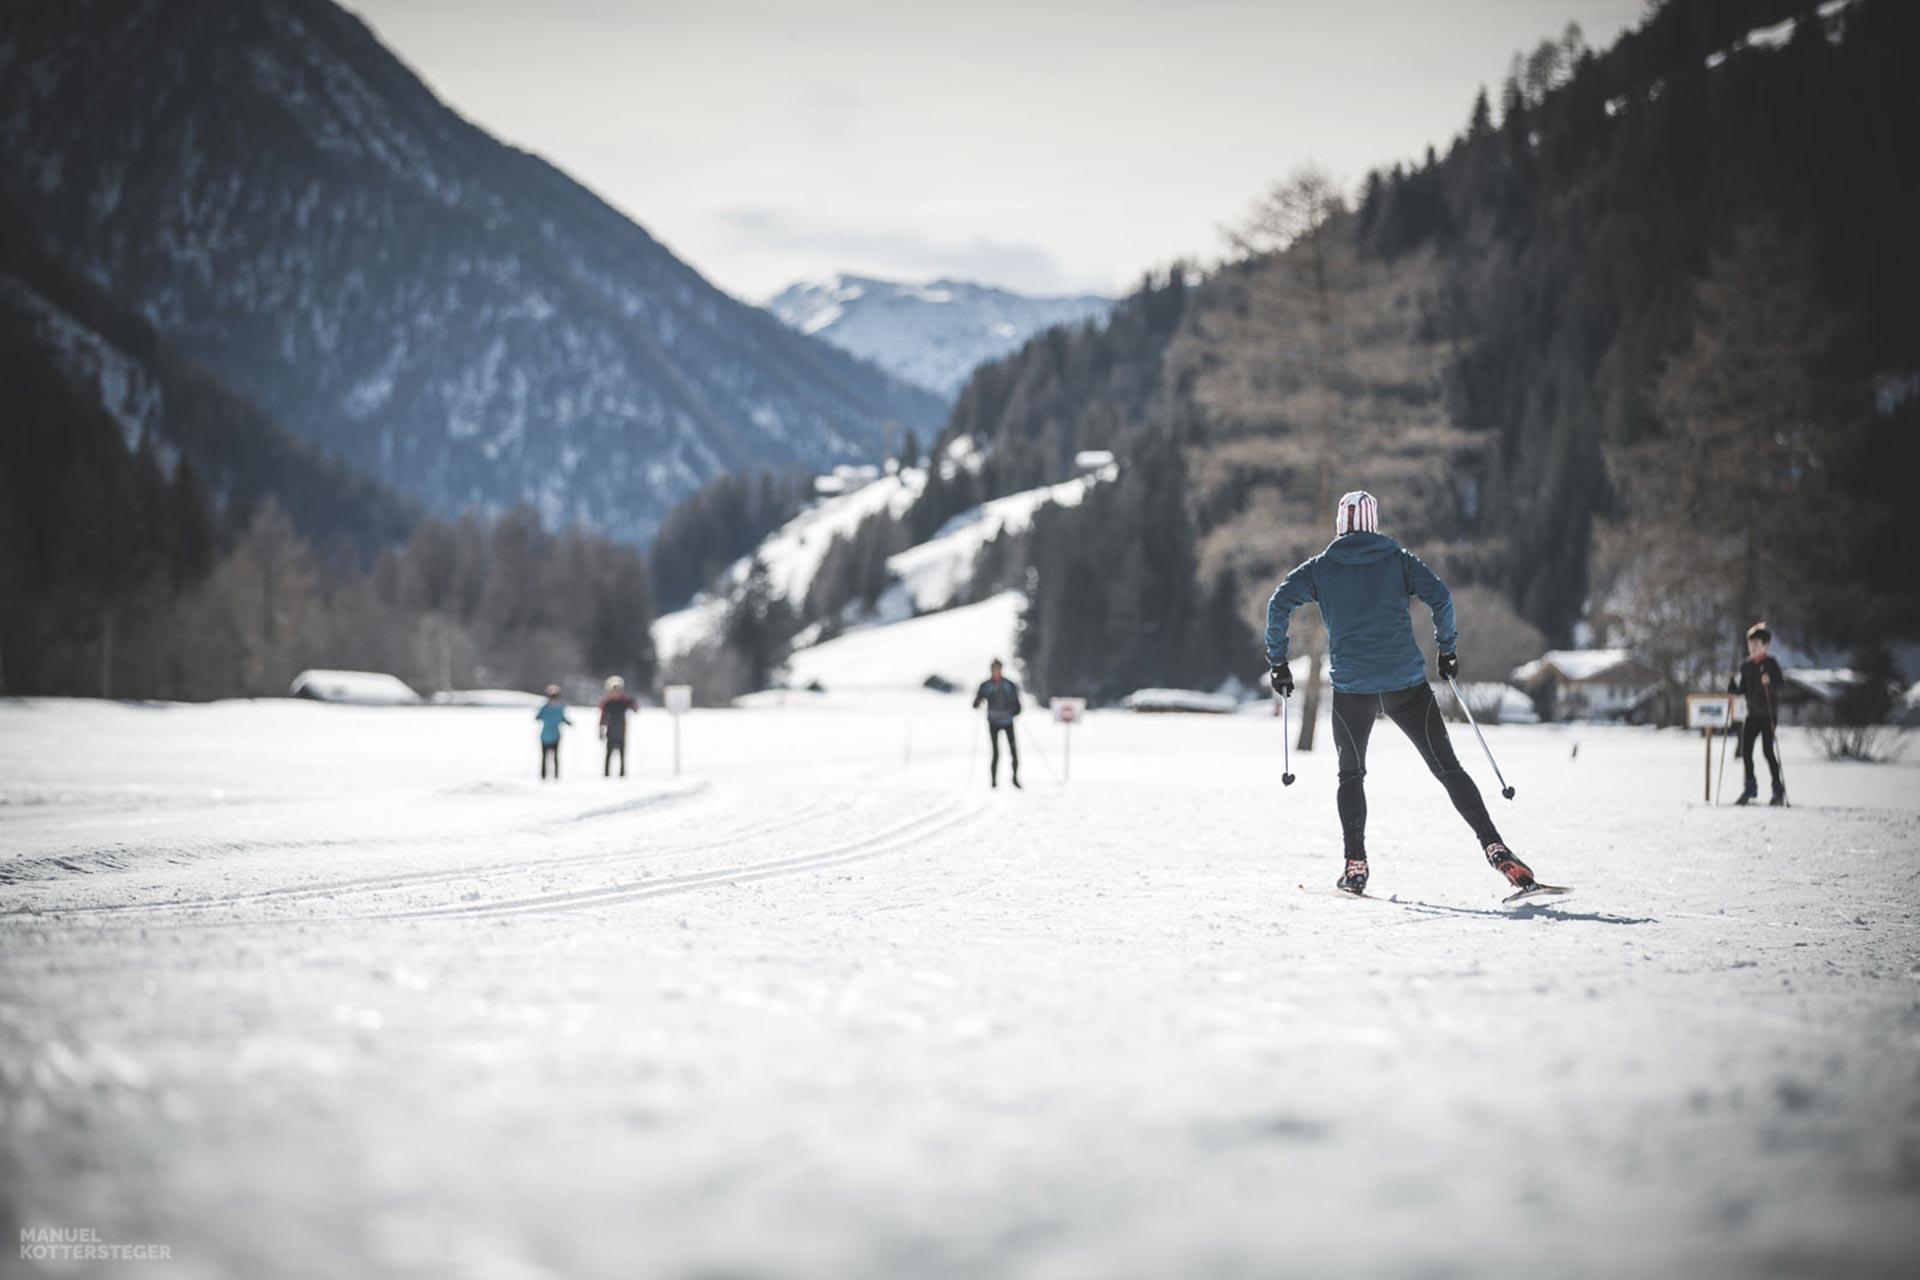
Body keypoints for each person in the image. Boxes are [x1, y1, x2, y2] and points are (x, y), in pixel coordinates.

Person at [1265, 489, 1542, 896]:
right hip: (1405, 684)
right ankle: (1494, 845)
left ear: (1340, 524)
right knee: (1448, 768)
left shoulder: (1320, 569)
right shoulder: (1399, 560)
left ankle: (1355, 865)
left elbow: (1278, 605)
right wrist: (1447, 649)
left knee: (1351, 774)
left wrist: (1278, 662)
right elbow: (1441, 598)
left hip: (1352, 688)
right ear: (1374, 523)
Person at [1729, 621, 1786, 806]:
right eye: (1750, 645)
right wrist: (1733, 688)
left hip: (1768, 714)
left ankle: (1778, 789)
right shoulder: (1746, 666)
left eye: (1757, 645)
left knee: (1768, 751)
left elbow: (1780, 686)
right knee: (1746, 751)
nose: (1753, 648)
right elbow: (1742, 689)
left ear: (1766, 646)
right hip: (1752, 714)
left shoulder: (1771, 664)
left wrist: (1769, 682)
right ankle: (1750, 787)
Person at [972, 659, 1022, 789]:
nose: (996, 671)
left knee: (1013, 751)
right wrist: (977, 702)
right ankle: (993, 782)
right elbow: (977, 700)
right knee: (995, 753)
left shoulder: (1009, 684)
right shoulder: (986, 685)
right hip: (993, 721)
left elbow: (1017, 702)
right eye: (994, 669)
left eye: (998, 669)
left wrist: (1016, 709)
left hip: (1007, 720)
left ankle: (1015, 778)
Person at [597, 676, 640, 778]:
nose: (616, 693)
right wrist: (601, 730)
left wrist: (633, 701)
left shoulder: (624, 702)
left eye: (618, 691)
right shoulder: (607, 703)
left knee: (622, 754)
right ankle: (606, 774)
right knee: (609, 754)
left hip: (621, 731)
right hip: (611, 731)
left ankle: (622, 774)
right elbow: (602, 717)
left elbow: (635, 709)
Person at [535, 685, 571, 781]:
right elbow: (538, 717)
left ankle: (556, 775)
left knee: (555, 757)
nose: (553, 699)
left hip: (555, 736)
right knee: (544, 757)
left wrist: (568, 723)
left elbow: (562, 718)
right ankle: (543, 775)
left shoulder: (560, 709)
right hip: (545, 736)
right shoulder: (544, 708)